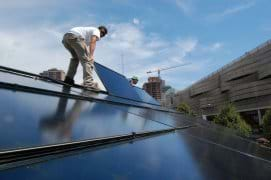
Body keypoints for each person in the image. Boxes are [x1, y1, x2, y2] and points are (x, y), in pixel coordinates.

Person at [62, 26, 108, 90]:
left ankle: (68, 79)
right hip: (76, 37)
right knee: (87, 60)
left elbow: (82, 47)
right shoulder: (96, 30)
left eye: (104, 34)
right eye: (102, 33)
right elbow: (93, 41)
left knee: (75, 58)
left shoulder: (87, 35)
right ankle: (88, 83)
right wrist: (91, 55)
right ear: (99, 30)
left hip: (66, 38)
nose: (102, 35)